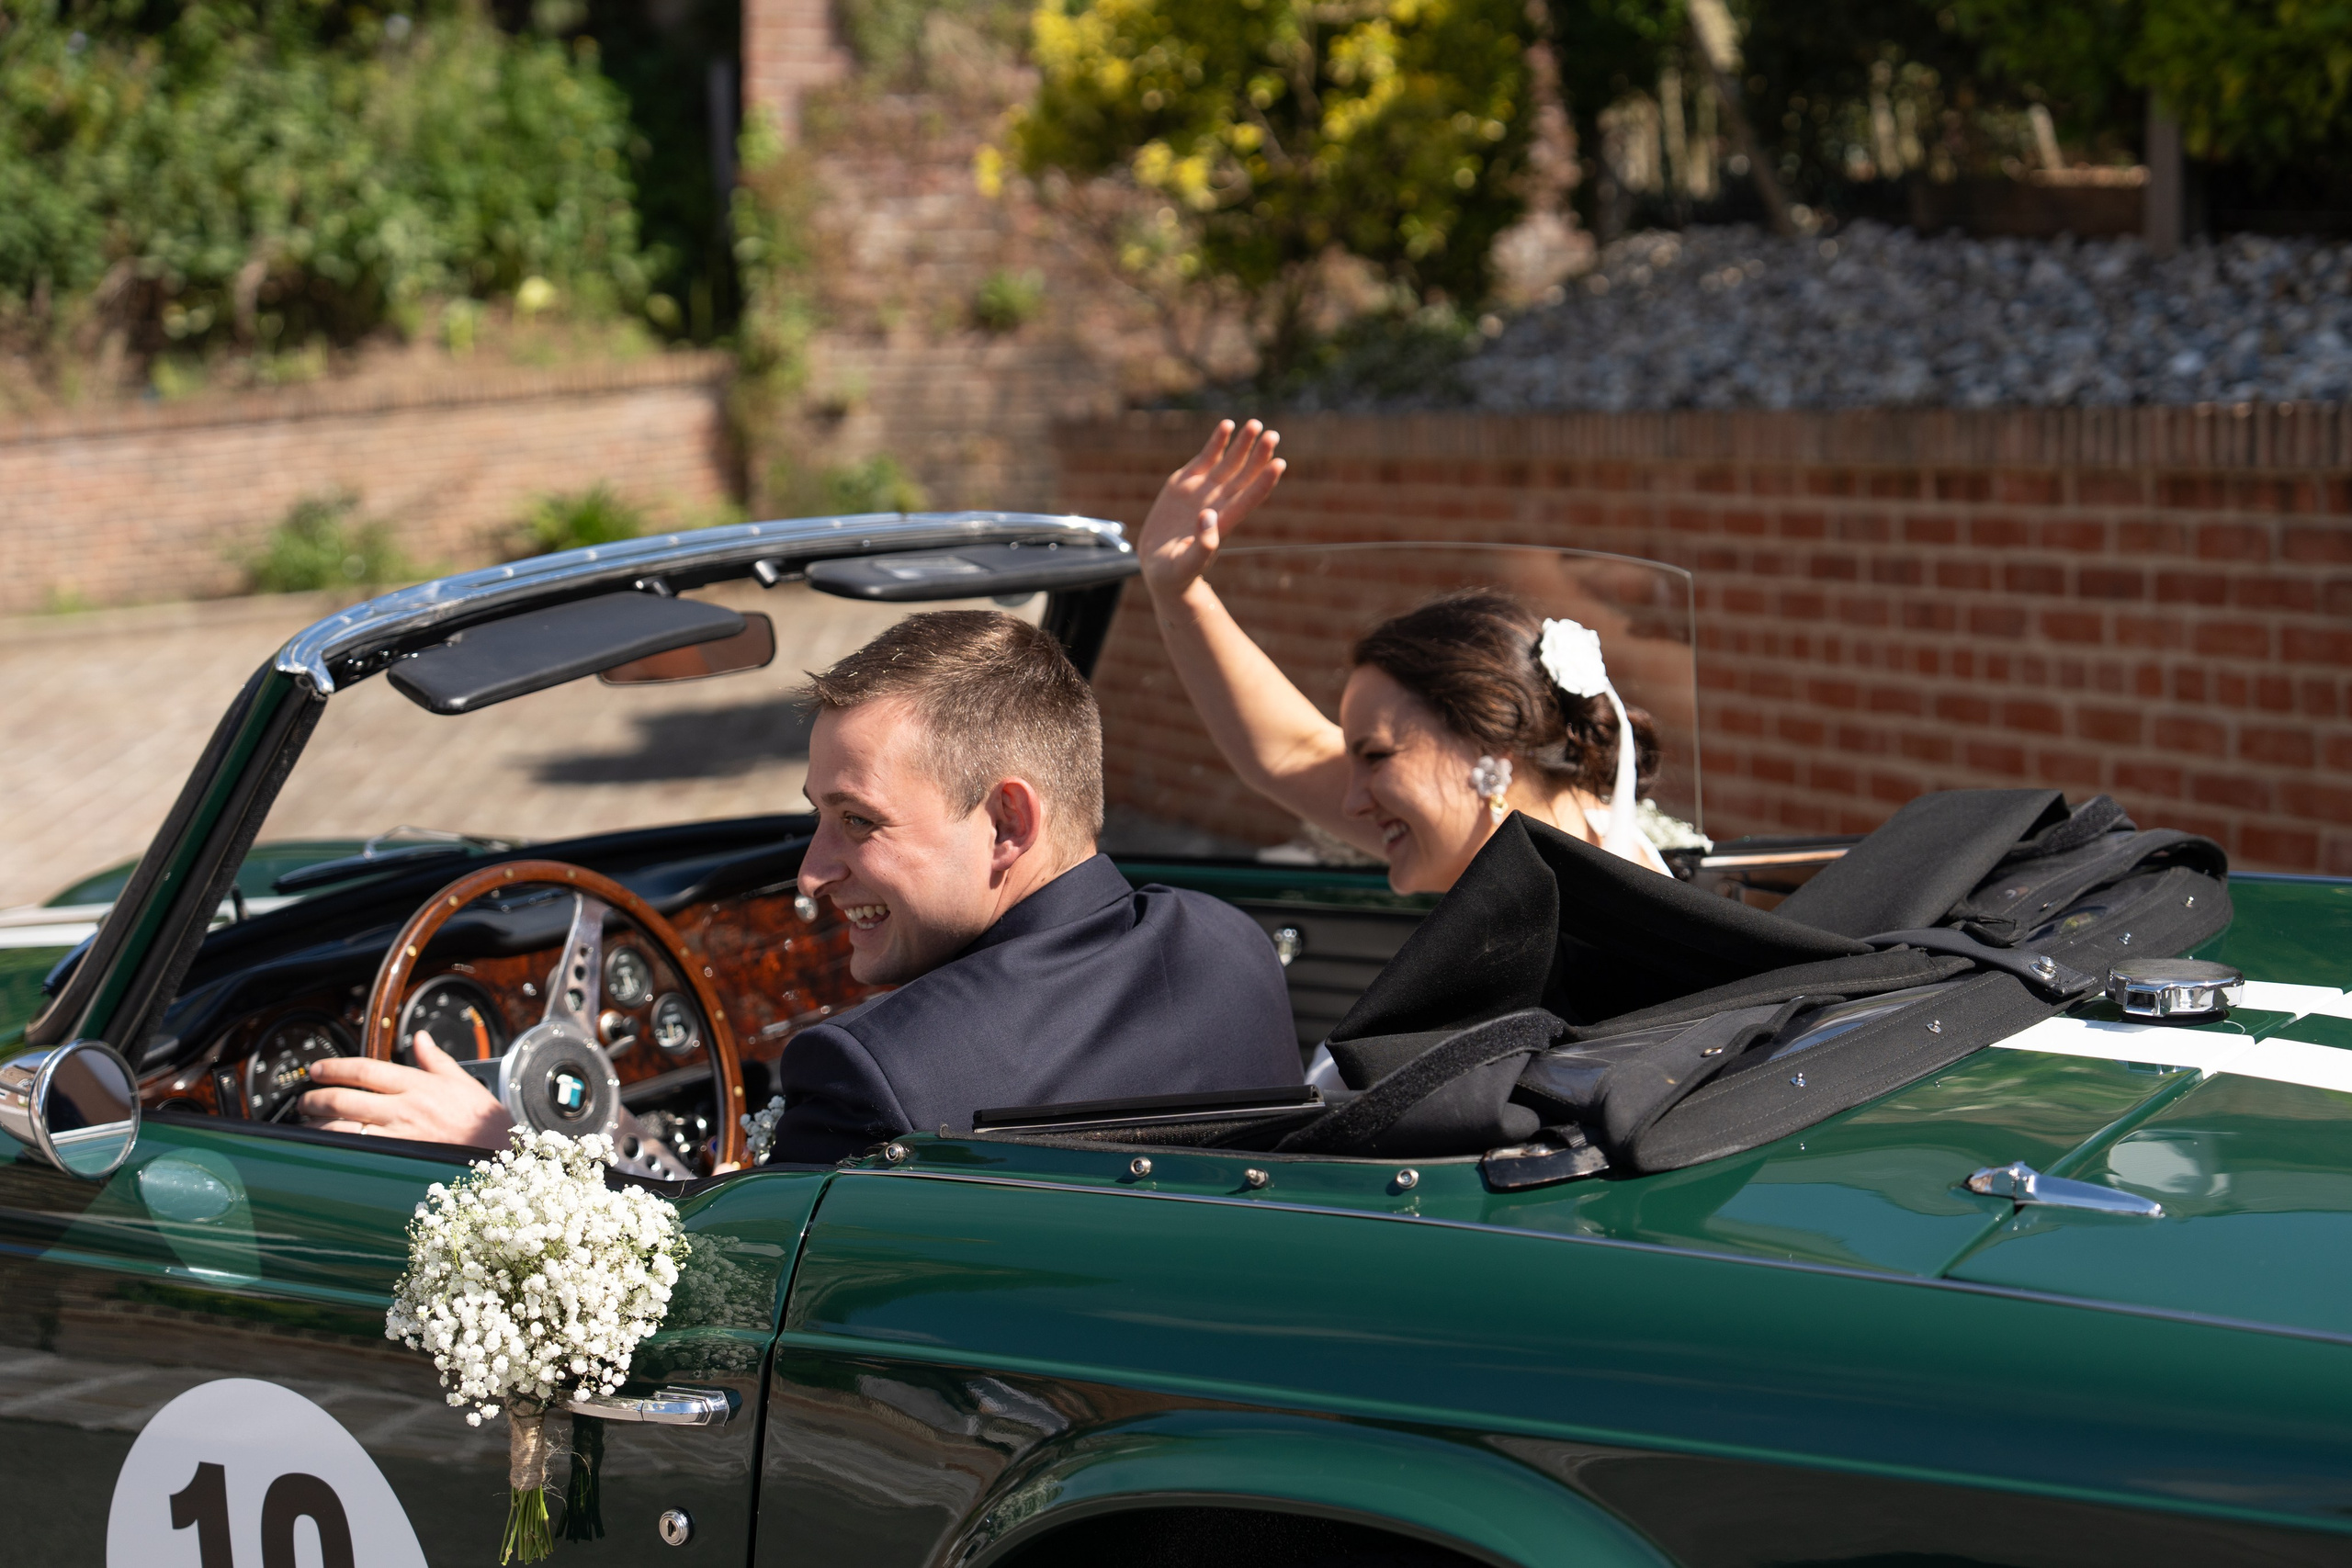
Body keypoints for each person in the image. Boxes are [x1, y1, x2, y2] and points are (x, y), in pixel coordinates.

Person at [302, 610, 1302, 1160]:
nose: (812, 872)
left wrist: (510, 1140)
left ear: (1008, 821)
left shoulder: (877, 1075)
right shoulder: (1232, 947)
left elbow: (718, 1289)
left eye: (857, 822)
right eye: (815, 816)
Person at [1138, 417, 1681, 898]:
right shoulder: (1552, 852)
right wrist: (1177, 591)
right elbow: (1289, 752)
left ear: (1491, 746)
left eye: (1376, 756)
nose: (1350, 803)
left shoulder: (1608, 933)